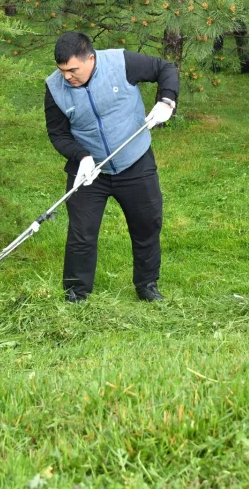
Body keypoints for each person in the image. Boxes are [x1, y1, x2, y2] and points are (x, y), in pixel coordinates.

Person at [44, 32, 179, 303]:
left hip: (134, 160)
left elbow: (165, 68)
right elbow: (58, 134)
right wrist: (81, 157)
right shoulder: (54, 88)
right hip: (88, 171)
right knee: (81, 234)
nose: (68, 77)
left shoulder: (121, 63)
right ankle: (76, 293)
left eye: (73, 70)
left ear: (90, 58)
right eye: (63, 71)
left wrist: (167, 101)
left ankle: (147, 285)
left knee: (147, 224)